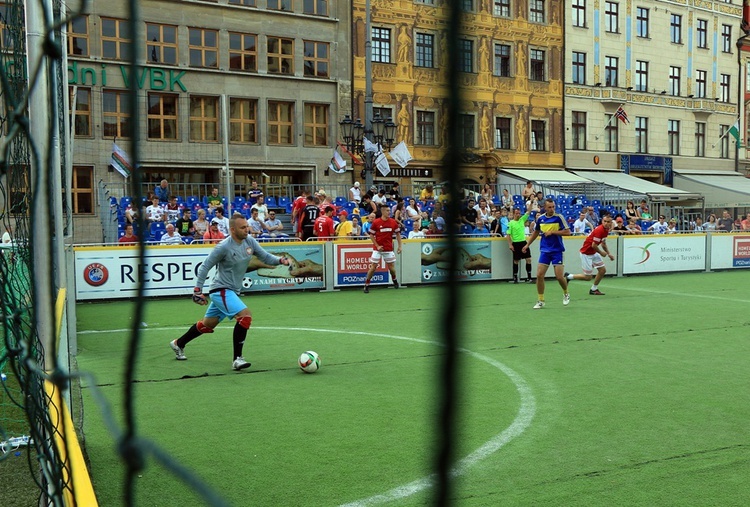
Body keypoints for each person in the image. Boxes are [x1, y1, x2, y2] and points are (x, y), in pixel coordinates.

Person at [169, 214, 291, 370]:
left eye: (247, 226)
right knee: (245, 316)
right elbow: (205, 266)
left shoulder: (250, 241)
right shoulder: (223, 247)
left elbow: (265, 257)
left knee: (207, 325)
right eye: (243, 227)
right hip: (220, 289)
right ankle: (237, 359)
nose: (247, 229)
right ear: (232, 230)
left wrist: (280, 260)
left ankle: (178, 344)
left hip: (232, 291)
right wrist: (197, 290)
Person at [522, 198, 571, 309]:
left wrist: (553, 232)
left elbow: (568, 232)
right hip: (545, 251)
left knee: (559, 277)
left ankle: (566, 293)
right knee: (539, 275)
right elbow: (536, 232)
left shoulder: (559, 217)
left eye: (553, 207)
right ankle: (540, 300)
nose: (552, 209)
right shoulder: (541, 219)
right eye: (549, 207)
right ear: (544, 207)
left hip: (557, 251)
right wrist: (527, 245)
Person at [564, 214, 615, 296]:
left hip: (593, 252)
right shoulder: (600, 230)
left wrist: (609, 254)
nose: (606, 223)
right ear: (602, 221)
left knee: (602, 270)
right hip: (586, 253)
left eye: (608, 222)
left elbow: (603, 244)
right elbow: (594, 245)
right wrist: (601, 253)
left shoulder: (606, 230)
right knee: (588, 277)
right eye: (604, 221)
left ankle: (594, 289)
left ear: (611, 223)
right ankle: (569, 276)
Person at [363, 204, 402, 293]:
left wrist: (400, 246)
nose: (389, 212)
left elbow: (398, 234)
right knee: (373, 267)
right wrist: (377, 246)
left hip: (388, 248)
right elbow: (371, 235)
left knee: (391, 268)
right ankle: (367, 285)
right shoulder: (376, 222)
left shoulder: (393, 222)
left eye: (389, 210)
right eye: (387, 211)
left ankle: (394, 279)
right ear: (383, 211)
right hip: (377, 249)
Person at [506, 205, 533, 283]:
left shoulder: (522, 220)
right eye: (517, 213)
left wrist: (531, 203)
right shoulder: (510, 223)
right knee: (516, 260)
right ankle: (515, 278)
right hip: (516, 243)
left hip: (523, 242)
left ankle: (529, 277)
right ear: (514, 214)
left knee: (528, 259)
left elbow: (528, 212)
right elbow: (508, 235)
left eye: (519, 213)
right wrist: (510, 244)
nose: (518, 215)